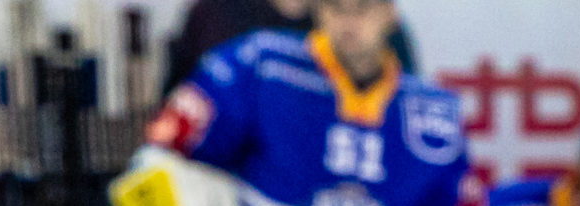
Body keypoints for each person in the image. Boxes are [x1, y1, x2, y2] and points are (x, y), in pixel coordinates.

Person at [144, 0, 491, 206]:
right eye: (336, 7)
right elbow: (161, 155)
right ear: (318, 9)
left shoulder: (434, 116)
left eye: (364, 8)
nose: (350, 23)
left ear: (390, 13)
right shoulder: (258, 65)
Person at [162, 0, 418, 93]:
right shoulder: (213, 15)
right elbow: (174, 110)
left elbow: (407, 118)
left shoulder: (370, 18)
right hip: (231, 192)